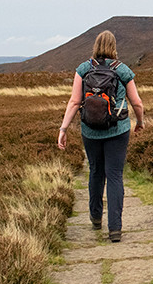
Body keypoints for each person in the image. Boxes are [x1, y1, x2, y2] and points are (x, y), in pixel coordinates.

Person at [57, 30, 145, 242]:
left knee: (96, 171)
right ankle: (115, 229)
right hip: (118, 130)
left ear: (95, 46)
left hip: (90, 131)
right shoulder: (122, 70)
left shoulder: (84, 69)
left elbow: (74, 102)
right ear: (114, 46)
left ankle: (96, 217)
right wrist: (140, 122)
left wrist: (63, 129)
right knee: (114, 175)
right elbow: (137, 103)